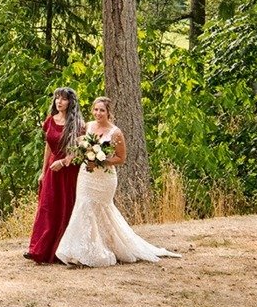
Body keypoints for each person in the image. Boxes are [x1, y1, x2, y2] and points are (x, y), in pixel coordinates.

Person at [55, 96, 181, 267]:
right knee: (83, 207)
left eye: (102, 110)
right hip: (86, 175)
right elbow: (78, 148)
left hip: (105, 178)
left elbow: (121, 158)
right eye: (96, 109)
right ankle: (81, 252)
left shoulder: (115, 132)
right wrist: (68, 160)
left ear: (108, 112)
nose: (98, 113)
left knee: (102, 211)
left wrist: (101, 160)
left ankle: (107, 248)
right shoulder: (88, 126)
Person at [24, 87, 83, 263]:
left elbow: (79, 150)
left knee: (65, 207)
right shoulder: (50, 120)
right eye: (57, 98)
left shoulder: (78, 124)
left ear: (70, 102)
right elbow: (48, 147)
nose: (59, 101)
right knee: (47, 206)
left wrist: (64, 162)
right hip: (52, 168)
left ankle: (62, 251)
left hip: (69, 169)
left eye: (63, 99)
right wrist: (43, 172)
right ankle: (39, 249)